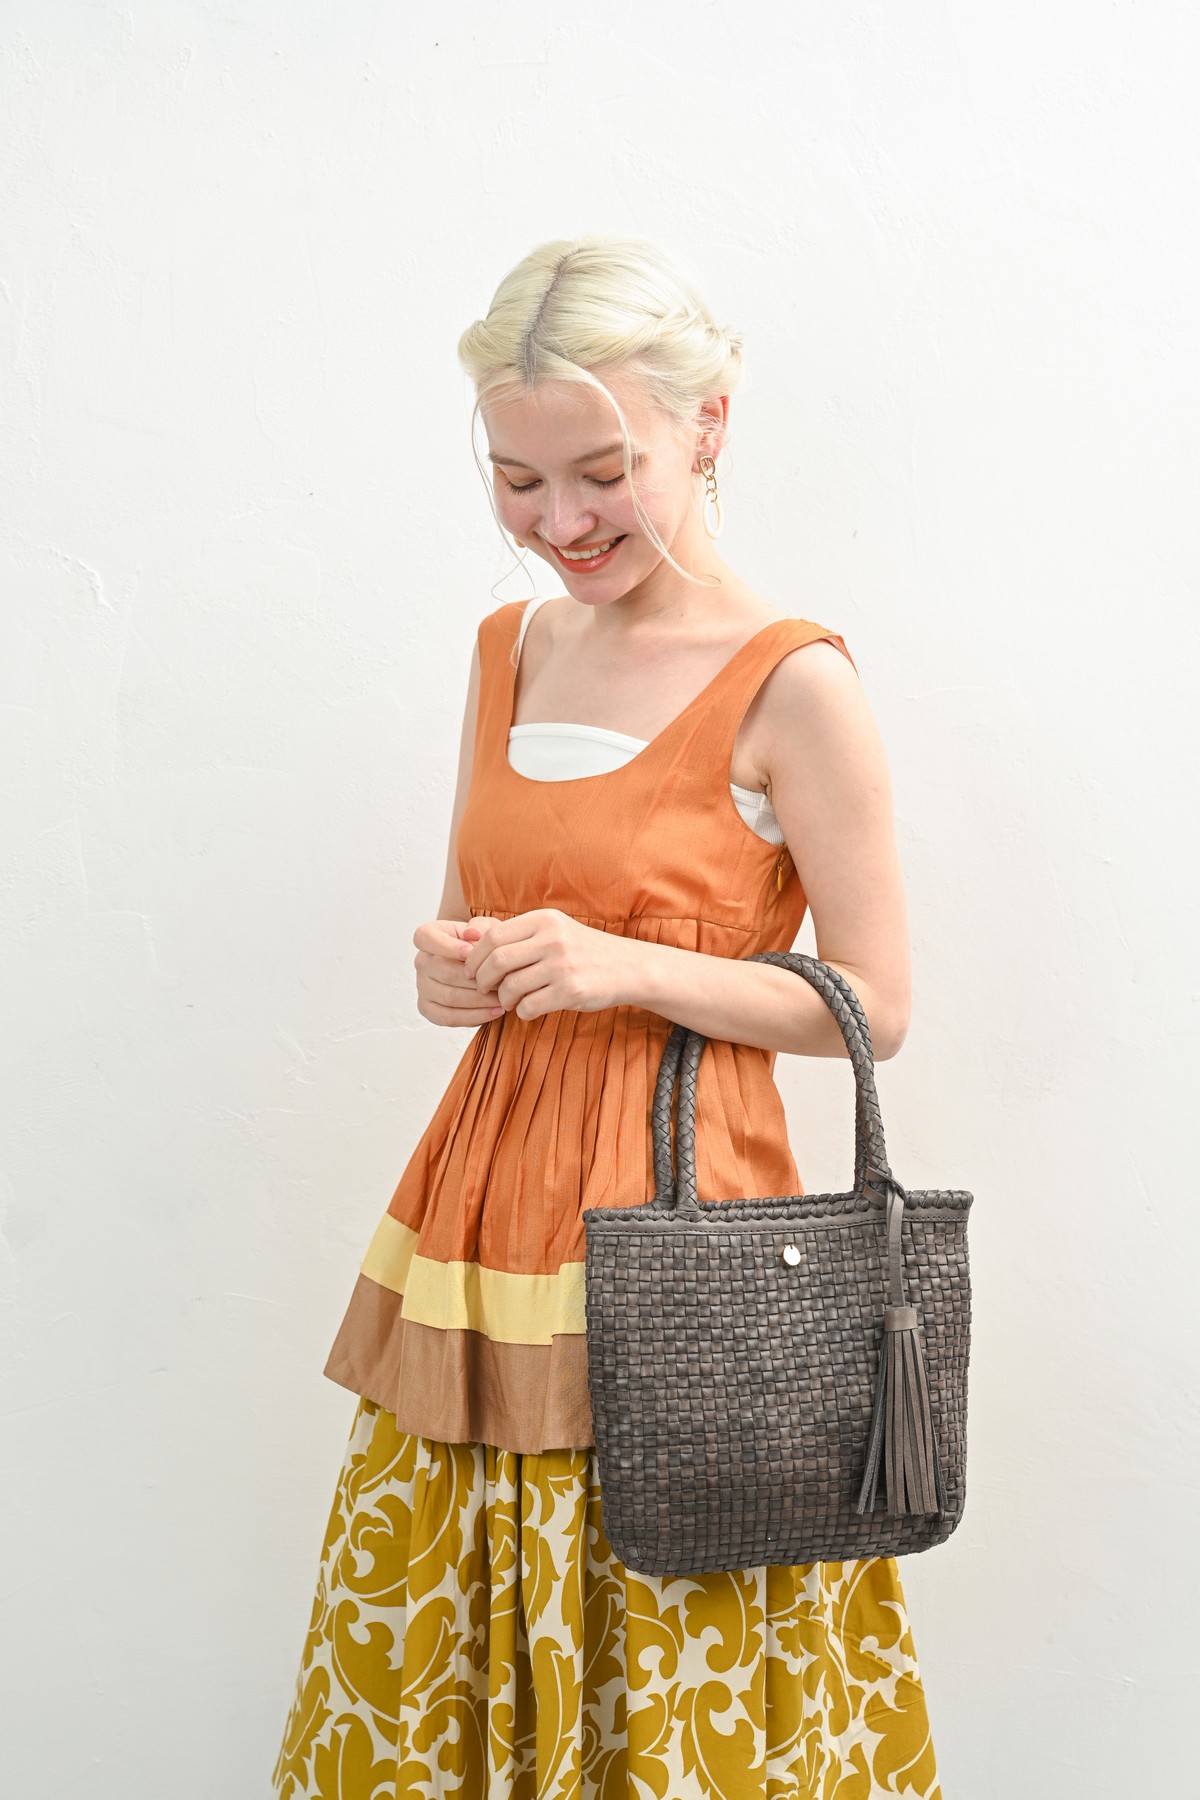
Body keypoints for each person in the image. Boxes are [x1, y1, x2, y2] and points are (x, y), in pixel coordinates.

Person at [272, 233, 942, 1799]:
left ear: (708, 427)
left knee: (671, 1618)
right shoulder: (506, 649)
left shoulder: (792, 681)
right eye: (517, 481)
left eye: (602, 472)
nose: (560, 523)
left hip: (685, 1212)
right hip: (481, 1211)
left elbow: (878, 1004)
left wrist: (625, 967)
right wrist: (454, 971)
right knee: (438, 1622)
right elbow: (480, 911)